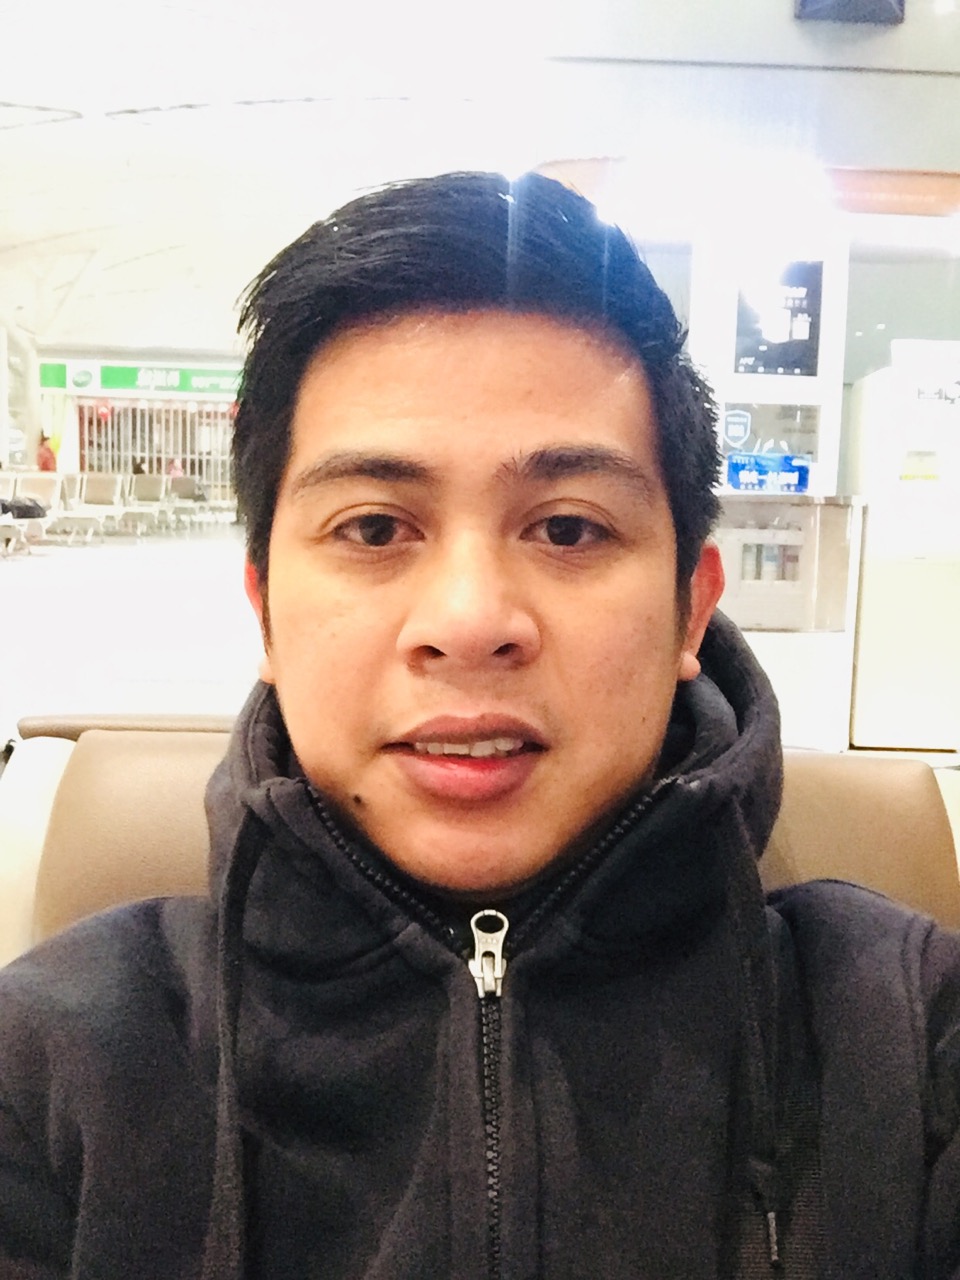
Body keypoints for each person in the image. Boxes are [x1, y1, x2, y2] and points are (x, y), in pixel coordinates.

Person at [1, 172, 959, 1280]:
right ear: (265, 611)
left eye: (568, 528)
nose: (469, 622)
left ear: (691, 608)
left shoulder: (910, 1042)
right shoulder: (51, 1069)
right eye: (374, 527)